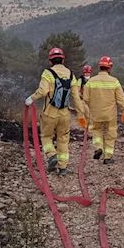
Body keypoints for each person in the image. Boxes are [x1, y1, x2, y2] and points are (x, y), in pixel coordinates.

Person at [25, 47, 87, 176]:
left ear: (50, 61)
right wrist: (81, 115)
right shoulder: (71, 74)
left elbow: (42, 91)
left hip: (49, 113)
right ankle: (62, 168)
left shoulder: (47, 73)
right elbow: (76, 97)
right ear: (63, 60)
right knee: (63, 139)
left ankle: (52, 155)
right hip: (65, 114)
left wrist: (31, 98)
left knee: (46, 137)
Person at [82, 56, 124, 165]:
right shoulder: (114, 82)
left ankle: (98, 147)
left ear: (100, 67)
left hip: (95, 114)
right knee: (111, 133)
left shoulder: (91, 82)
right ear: (109, 68)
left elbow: (85, 100)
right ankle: (108, 157)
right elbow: (121, 99)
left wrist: (86, 113)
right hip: (110, 115)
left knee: (96, 131)